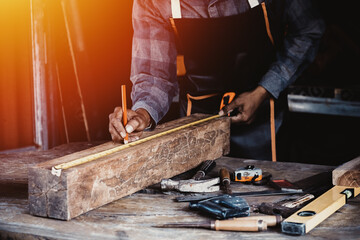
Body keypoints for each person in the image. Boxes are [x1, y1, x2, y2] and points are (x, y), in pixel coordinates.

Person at [109, 0, 325, 160]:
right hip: (198, 122)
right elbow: (155, 74)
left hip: (266, 119)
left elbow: (308, 30)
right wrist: (142, 114)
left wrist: (263, 91)